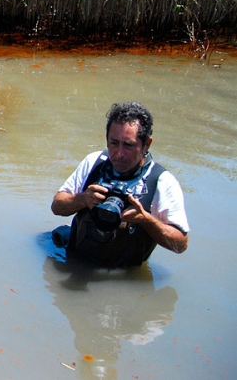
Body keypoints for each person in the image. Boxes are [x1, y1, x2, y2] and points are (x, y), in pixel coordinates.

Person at [51, 102, 189, 267]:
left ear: (147, 144)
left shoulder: (161, 181)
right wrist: (83, 199)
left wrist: (145, 220)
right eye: (114, 143)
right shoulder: (94, 162)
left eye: (129, 145)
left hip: (125, 276)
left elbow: (180, 244)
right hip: (75, 262)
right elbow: (57, 206)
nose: (119, 153)